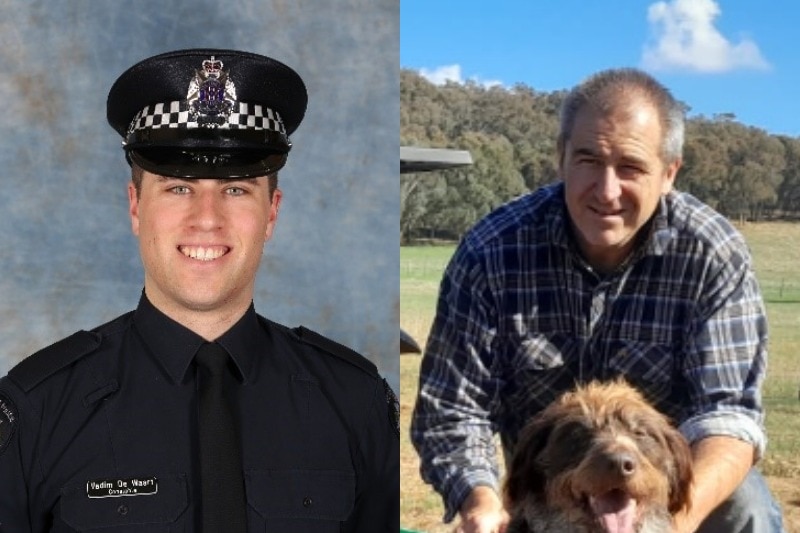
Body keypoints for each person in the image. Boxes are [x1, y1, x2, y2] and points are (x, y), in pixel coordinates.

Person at [0, 48, 399, 532]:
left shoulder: (356, 403)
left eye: (236, 189)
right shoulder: (37, 408)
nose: (207, 219)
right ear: (135, 207)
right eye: (178, 187)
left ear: (271, 212)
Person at [411, 67, 784, 533]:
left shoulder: (710, 252)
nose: (606, 192)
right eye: (588, 160)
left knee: (745, 504)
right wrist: (480, 499)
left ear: (669, 173)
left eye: (630, 167)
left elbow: (727, 415)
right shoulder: (494, 250)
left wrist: (671, 524)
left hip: (667, 490)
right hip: (552, 485)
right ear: (561, 158)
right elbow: (452, 409)